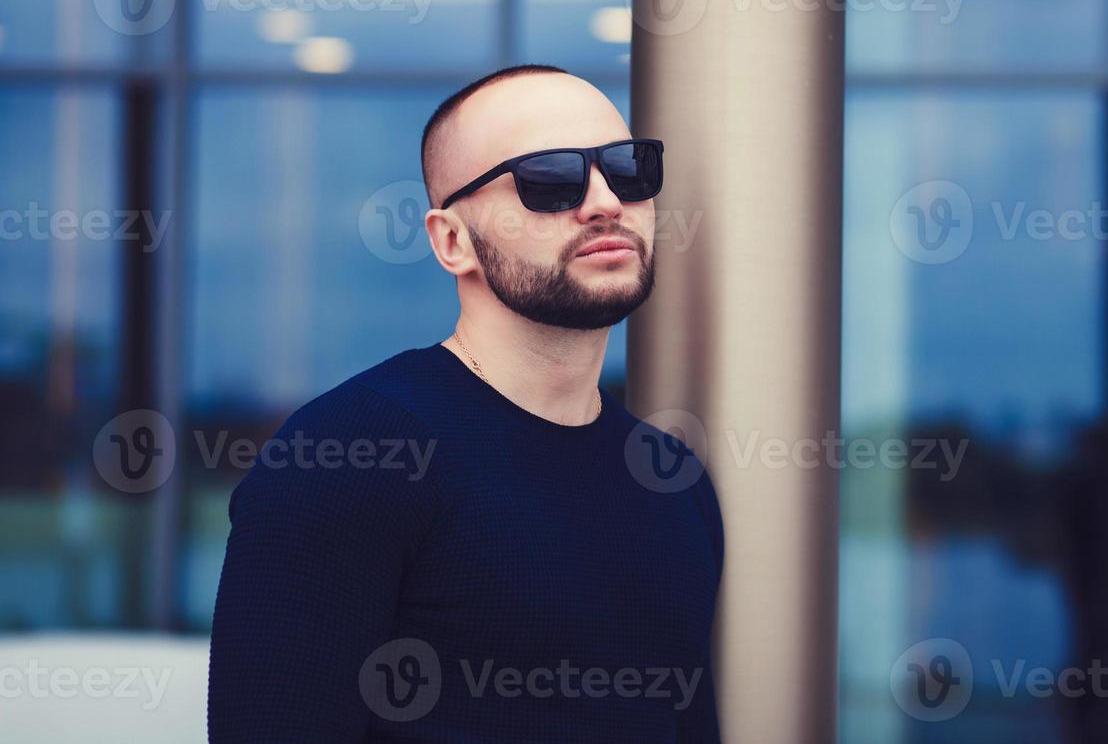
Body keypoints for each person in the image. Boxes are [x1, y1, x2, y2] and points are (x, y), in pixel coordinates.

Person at [207, 65, 723, 742]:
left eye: (629, 169)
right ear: (452, 241)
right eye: (548, 180)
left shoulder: (671, 480)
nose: (604, 202)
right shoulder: (352, 458)